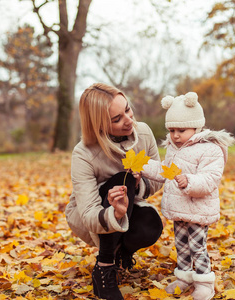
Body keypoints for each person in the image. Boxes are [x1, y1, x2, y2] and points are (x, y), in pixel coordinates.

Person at [65, 83, 164, 300]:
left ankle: (123, 252)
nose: (129, 120)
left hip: (130, 205)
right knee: (121, 180)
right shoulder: (83, 154)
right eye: (116, 119)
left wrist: (139, 185)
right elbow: (89, 213)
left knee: (152, 224)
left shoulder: (144, 133)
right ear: (98, 125)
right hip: (91, 216)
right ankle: (105, 265)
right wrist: (115, 213)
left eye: (127, 110)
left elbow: (159, 177)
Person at [140, 92, 235, 300]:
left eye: (181, 130)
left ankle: (204, 282)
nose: (175, 135)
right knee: (181, 245)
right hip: (179, 207)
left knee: (197, 246)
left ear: (196, 126)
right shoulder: (174, 149)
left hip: (198, 208)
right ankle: (184, 277)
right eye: (172, 130)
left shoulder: (210, 149)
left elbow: (210, 179)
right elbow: (165, 171)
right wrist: (142, 166)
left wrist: (189, 182)